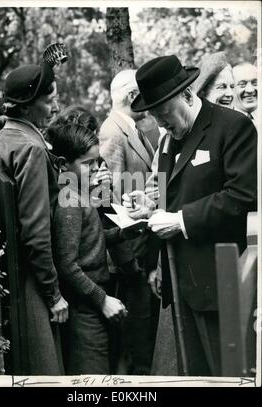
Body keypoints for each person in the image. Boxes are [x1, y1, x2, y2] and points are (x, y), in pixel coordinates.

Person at [123, 55, 257, 376]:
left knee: (223, 376)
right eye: (154, 116)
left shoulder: (233, 127)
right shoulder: (171, 138)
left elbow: (242, 196)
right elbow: (173, 198)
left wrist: (181, 220)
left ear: (187, 95)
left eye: (164, 114)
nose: (160, 123)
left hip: (219, 285)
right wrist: (150, 207)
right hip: (181, 286)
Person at [0, 56, 69, 375]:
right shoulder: (31, 148)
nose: (56, 108)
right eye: (50, 100)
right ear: (28, 106)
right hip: (31, 283)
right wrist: (54, 294)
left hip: (10, 275)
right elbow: (35, 231)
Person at [48, 121, 128, 374]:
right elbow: (67, 264)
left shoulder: (80, 193)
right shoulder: (70, 202)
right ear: (63, 164)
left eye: (97, 162)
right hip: (86, 310)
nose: (95, 170)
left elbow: (90, 240)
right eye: (87, 164)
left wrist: (124, 232)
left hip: (92, 303)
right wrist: (102, 300)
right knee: (92, 376)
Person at [99, 69, 159, 375]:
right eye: (145, 93)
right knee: (131, 343)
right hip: (127, 257)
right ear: (133, 96)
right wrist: (125, 260)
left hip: (140, 250)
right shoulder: (112, 133)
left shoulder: (132, 128)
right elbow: (105, 201)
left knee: (141, 337)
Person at [232, 62, 258, 127]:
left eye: (255, 83)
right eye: (242, 84)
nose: (250, 90)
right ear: (232, 88)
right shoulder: (223, 122)